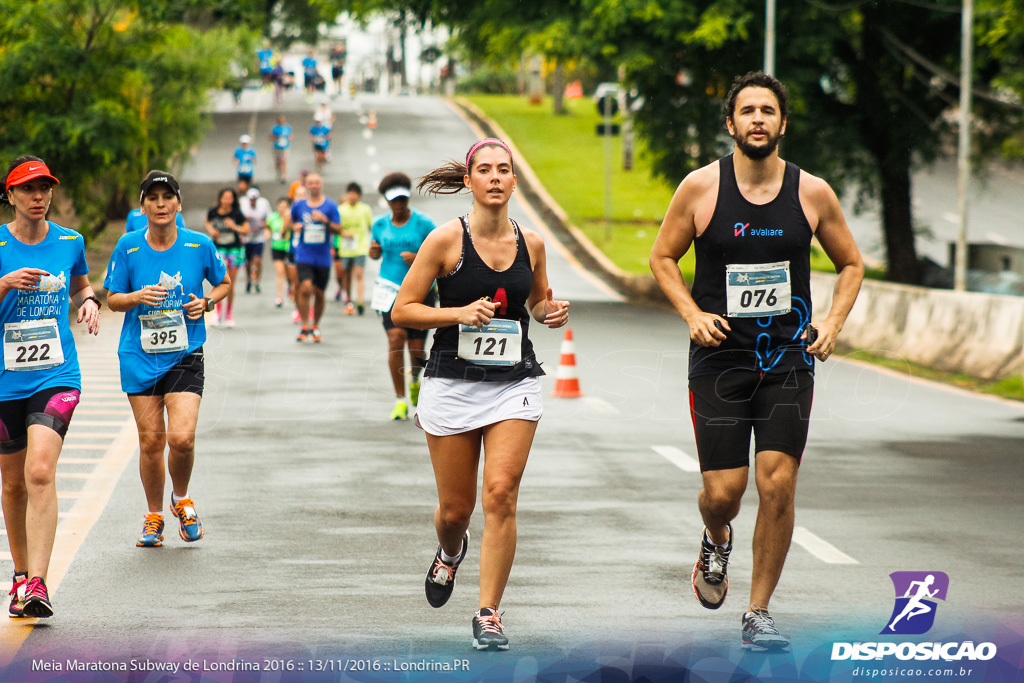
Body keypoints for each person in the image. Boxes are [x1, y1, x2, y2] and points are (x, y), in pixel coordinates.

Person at [648, 71, 864, 652]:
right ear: (731, 124)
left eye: (768, 111)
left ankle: (758, 609)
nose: (758, 120)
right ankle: (716, 538)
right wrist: (692, 314)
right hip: (720, 357)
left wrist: (832, 322)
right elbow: (663, 257)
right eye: (748, 112)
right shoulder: (700, 188)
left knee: (779, 484)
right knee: (725, 492)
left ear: (783, 124)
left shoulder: (812, 192)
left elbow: (851, 264)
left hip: (789, 358)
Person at [391, 139, 569, 650]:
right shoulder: (446, 241)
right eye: (484, 170)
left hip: (513, 381)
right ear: (469, 181)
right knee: (455, 510)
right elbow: (404, 310)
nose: (495, 177)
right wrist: (458, 313)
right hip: (451, 382)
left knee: (500, 494)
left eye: (504, 170)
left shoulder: (531, 243)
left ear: (515, 182)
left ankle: (488, 612)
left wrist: (548, 313)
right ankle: (450, 552)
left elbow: (536, 300)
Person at [105, 171, 230, 550]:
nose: (160, 204)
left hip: (185, 352)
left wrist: (206, 302)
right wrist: (138, 296)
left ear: (178, 204)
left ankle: (182, 498)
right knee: (150, 442)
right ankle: (154, 514)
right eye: (152, 198)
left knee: (183, 439)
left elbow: (224, 283)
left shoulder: (199, 245)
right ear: (142, 206)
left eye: (167, 197)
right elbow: (112, 298)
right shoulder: (128, 247)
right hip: (139, 355)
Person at [0, 156, 101, 618]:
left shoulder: (70, 241)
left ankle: (39, 582)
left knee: (39, 471)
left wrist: (90, 303)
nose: (38, 197)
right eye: (28, 190)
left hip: (56, 374)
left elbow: (81, 286)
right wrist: (3, 284)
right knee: (12, 484)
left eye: (45, 189)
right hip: (4, 379)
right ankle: (20, 577)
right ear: (11, 196)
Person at [368, 173, 437, 421]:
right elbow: (375, 252)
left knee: (416, 349)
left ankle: (415, 381)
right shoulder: (378, 225)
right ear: (386, 201)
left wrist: (418, 258)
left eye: (403, 199)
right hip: (388, 289)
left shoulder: (424, 224)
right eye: (394, 200)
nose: (399, 204)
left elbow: (442, 256)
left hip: (421, 291)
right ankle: (400, 401)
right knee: (396, 339)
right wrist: (373, 252)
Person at [286, 173, 340, 342]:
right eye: (311, 183)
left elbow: (338, 228)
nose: (314, 185)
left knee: (319, 292)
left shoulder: (330, 205)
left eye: (317, 182)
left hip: (323, 256)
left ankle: (315, 325)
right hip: (304, 254)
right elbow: (289, 223)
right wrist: (295, 226)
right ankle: (304, 324)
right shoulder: (299, 205)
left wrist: (325, 221)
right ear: (306, 185)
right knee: (305, 287)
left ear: (321, 184)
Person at [204, 188, 250, 327]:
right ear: (220, 198)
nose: (227, 200)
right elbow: (208, 222)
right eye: (224, 197)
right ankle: (217, 314)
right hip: (219, 249)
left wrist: (235, 227)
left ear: (233, 200)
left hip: (234, 249)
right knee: (219, 281)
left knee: (230, 283)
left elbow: (246, 230)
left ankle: (229, 314)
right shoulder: (213, 211)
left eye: (230, 198)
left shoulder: (237, 213)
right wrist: (212, 230)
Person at [335, 182, 373, 314]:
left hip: (360, 247)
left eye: (355, 193)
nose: (352, 196)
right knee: (346, 274)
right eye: (350, 193)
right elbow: (336, 227)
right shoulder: (341, 209)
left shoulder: (365, 209)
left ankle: (360, 301)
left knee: (359, 274)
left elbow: (370, 226)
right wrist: (344, 233)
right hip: (345, 247)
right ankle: (349, 298)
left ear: (359, 196)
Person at [241, 187, 271, 294]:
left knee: (257, 260)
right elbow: (239, 220)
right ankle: (249, 279)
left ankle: (257, 281)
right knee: (248, 262)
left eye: (254, 199)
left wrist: (264, 224)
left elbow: (270, 218)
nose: (252, 201)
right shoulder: (243, 205)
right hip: (247, 238)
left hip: (259, 237)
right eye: (251, 199)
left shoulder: (264, 204)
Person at [268, 197, 292, 308]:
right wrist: (267, 233)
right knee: (280, 271)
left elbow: (288, 231)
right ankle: (279, 296)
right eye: (280, 206)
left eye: (285, 206)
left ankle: (290, 287)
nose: (282, 208)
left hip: (288, 247)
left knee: (289, 273)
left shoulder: (290, 218)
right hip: (276, 247)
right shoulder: (272, 217)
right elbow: (268, 228)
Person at [269, 115, 292, 183]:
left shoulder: (287, 127)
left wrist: (289, 139)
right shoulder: (275, 128)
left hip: (285, 148)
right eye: (280, 120)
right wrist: (277, 138)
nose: (282, 121)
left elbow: (290, 136)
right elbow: (271, 137)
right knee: (278, 162)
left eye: (283, 120)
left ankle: (283, 176)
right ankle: (279, 171)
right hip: (277, 148)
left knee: (284, 161)